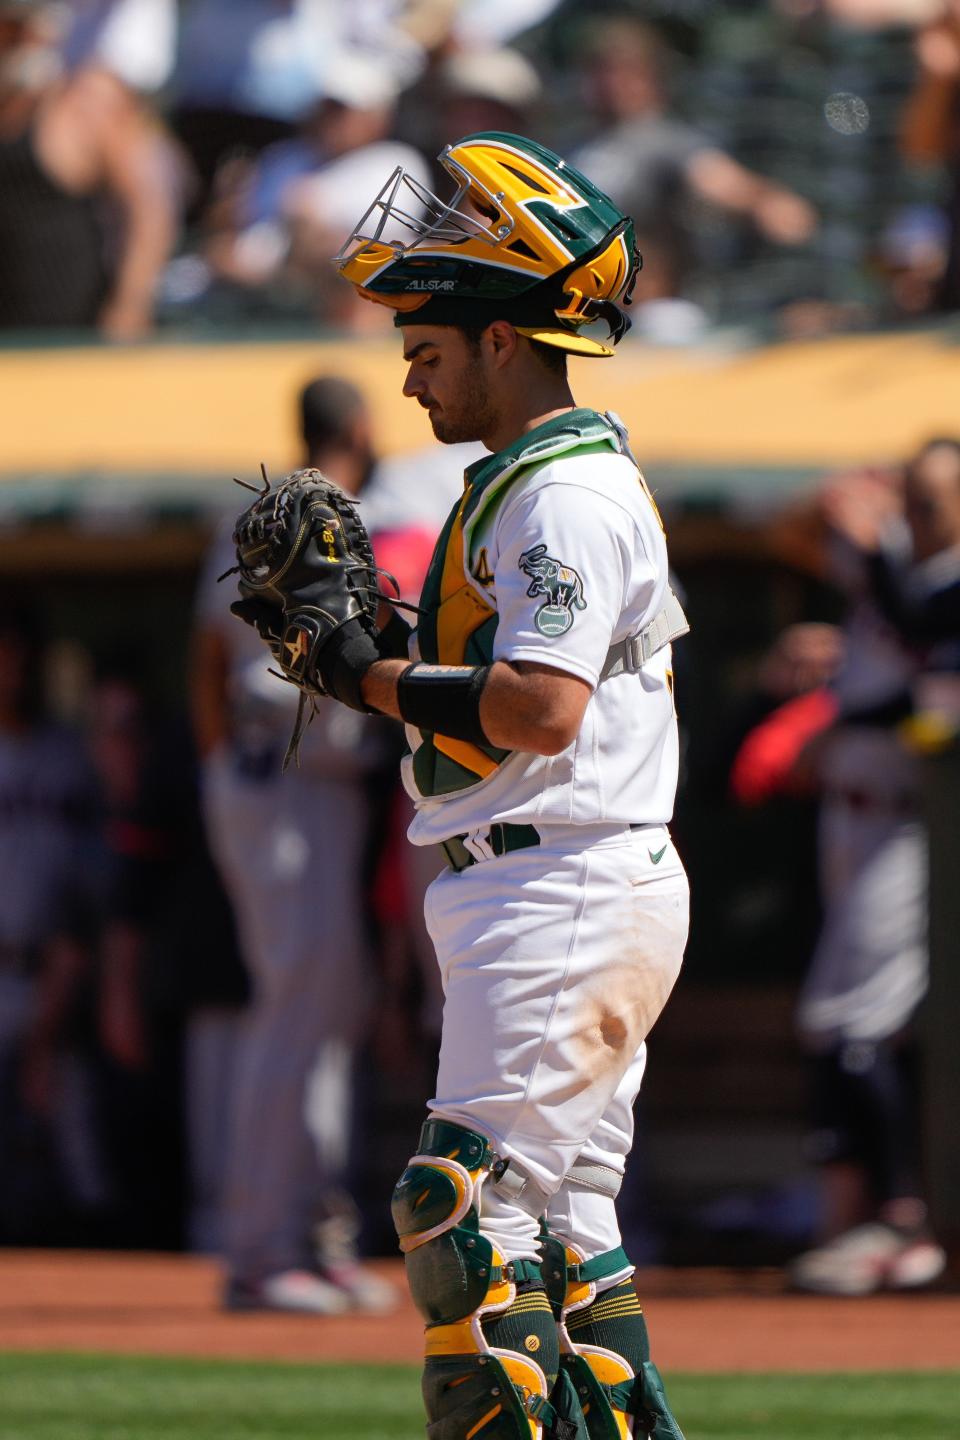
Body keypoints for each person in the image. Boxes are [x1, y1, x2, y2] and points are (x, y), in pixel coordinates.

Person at [253, 132, 691, 1438]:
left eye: (432, 341)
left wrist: (365, 678)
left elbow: (540, 715)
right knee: (563, 1238)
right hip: (553, 879)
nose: (407, 363)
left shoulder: (564, 497)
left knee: (458, 1209)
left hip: (558, 875)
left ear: (507, 339)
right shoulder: (521, 488)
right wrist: (388, 657)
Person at [190, 377, 401, 1315]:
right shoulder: (291, 509)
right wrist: (230, 774)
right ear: (358, 425)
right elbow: (208, 660)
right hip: (276, 777)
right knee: (293, 1010)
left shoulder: (340, 510)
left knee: (332, 1007)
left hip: (321, 784)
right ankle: (257, 1250)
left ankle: (315, 1235)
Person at [783, 444, 960, 1295]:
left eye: (932, 503)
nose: (918, 518)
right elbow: (803, 524)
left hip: (911, 822)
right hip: (847, 817)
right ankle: (870, 1216)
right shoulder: (898, 568)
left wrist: (880, 546)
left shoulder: (943, 582)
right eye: (913, 502)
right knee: (844, 1019)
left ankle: (899, 1219)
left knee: (853, 1017)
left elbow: (929, 656)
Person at [0, 0, 178, 338]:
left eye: (29, 30)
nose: (23, 41)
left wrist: (130, 305)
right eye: (11, 30)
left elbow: (150, 209)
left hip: (68, 333)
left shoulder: (84, 103)